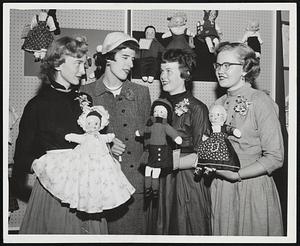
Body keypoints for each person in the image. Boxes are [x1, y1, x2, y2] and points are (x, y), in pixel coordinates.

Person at [178, 42, 284, 235]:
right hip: (221, 190)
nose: (220, 71)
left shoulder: (261, 101)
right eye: (218, 65)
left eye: (227, 65)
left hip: (252, 189)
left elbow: (275, 157)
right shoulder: (218, 104)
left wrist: (237, 175)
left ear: (245, 68)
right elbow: (214, 147)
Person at [12, 36, 108, 234]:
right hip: (54, 196)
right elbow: (21, 159)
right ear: (57, 63)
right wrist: (44, 166)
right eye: (78, 64)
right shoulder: (37, 106)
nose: (83, 71)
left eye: (85, 64)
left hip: (87, 191)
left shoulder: (85, 100)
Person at [80, 32, 151, 234]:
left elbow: (149, 140)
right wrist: (104, 145)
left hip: (133, 185)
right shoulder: (86, 93)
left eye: (132, 59)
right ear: (108, 58)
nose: (130, 64)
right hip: (98, 185)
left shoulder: (141, 93)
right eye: (125, 58)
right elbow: (79, 142)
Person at [148, 49, 212, 235]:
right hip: (160, 180)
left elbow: (204, 155)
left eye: (169, 71)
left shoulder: (197, 108)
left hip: (185, 182)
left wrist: (169, 163)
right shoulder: (158, 106)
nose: (162, 76)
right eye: (161, 71)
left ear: (185, 74)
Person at [32, 105, 135, 214]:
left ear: (100, 125)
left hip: (101, 162)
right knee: (83, 180)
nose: (93, 126)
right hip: (85, 162)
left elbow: (108, 137)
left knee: (105, 181)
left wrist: (111, 137)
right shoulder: (85, 137)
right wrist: (70, 137)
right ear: (85, 124)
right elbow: (77, 137)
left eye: (96, 124)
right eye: (89, 123)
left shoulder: (100, 136)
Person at [135, 98, 182, 199]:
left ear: (167, 114)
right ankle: (147, 188)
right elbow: (144, 130)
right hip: (150, 151)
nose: (158, 113)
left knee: (156, 172)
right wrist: (140, 133)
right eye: (156, 111)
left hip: (161, 150)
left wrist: (176, 138)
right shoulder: (150, 124)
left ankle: (155, 190)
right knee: (148, 170)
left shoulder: (165, 126)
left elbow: (172, 132)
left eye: (161, 111)